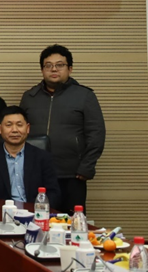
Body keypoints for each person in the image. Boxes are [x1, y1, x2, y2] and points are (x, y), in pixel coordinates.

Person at [19, 44, 105, 212]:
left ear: (70, 69)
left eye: (60, 65)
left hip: (72, 174)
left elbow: (96, 134)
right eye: (48, 65)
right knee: (37, 219)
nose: (54, 69)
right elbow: (20, 132)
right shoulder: (29, 97)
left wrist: (87, 166)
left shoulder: (85, 96)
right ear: (42, 70)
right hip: (36, 172)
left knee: (71, 222)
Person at [0, 106, 61, 208]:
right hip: (1, 213)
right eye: (9, 125)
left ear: (27, 128)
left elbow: (53, 193)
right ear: (0, 129)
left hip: (35, 212)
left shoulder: (43, 157)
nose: (14, 130)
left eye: (19, 125)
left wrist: (35, 211)